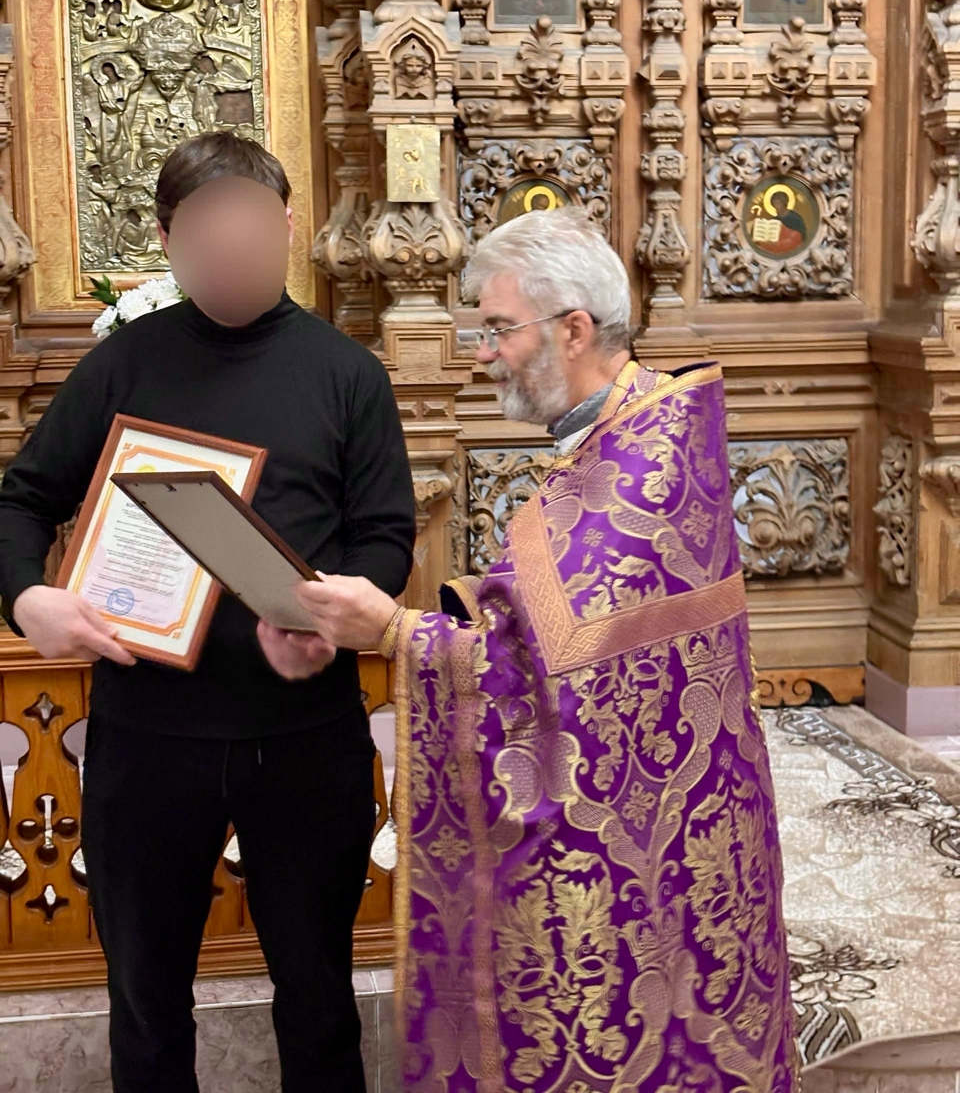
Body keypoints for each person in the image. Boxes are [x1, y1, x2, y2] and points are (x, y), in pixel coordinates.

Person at [264, 209, 799, 1092]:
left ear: (573, 329)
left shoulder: (641, 463)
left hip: (653, 835)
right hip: (669, 820)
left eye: (498, 328)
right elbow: (562, 628)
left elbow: (548, 672)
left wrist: (391, 631)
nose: (483, 354)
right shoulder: (635, 429)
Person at [0, 132, 416, 1093]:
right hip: (150, 738)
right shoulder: (123, 365)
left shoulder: (347, 373)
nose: (232, 254)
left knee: (318, 997)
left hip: (305, 736)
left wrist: (338, 616)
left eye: (251, 233)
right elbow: (20, 502)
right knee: (147, 1004)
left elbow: (385, 536)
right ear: (166, 241)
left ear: (288, 226)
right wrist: (29, 599)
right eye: (206, 237)